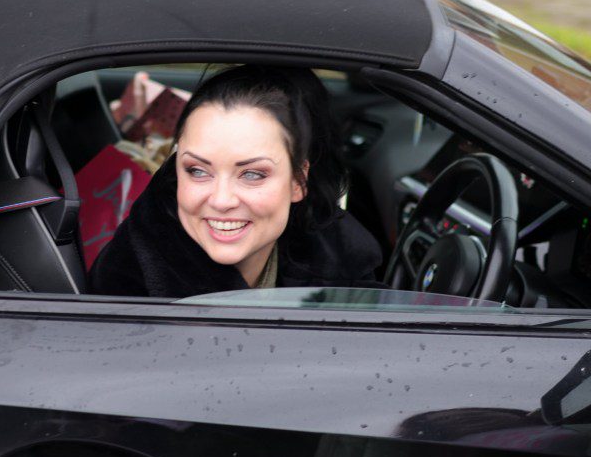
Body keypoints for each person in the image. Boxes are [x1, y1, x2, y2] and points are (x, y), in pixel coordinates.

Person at [88, 65, 382, 298]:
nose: (221, 199)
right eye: (197, 171)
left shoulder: (344, 267)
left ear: (298, 182)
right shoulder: (124, 289)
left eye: (252, 174)